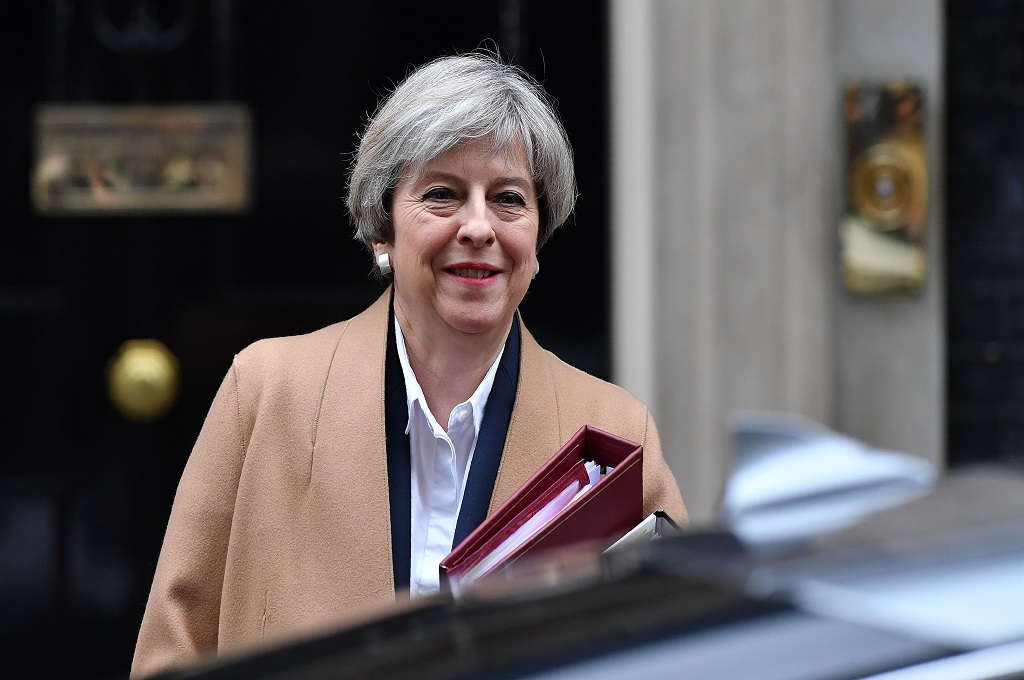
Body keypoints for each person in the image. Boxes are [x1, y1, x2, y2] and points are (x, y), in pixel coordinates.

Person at [131, 51, 687, 678]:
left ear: (538, 234)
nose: (478, 227)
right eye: (443, 194)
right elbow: (172, 651)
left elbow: (688, 650)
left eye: (508, 198)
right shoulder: (265, 392)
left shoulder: (613, 433)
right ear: (382, 230)